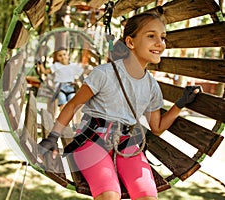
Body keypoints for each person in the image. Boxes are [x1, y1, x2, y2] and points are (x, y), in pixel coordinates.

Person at [38, 13, 201, 200]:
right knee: (109, 196)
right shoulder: (104, 73)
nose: (160, 42)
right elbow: (73, 105)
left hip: (126, 144)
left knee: (148, 196)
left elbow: (156, 127)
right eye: (151, 36)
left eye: (162, 37)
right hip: (91, 141)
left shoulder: (151, 86)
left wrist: (180, 104)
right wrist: (52, 138)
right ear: (130, 42)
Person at [37, 47, 84, 111]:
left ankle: (72, 120)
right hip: (60, 88)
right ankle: (62, 119)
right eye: (60, 55)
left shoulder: (74, 66)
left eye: (64, 54)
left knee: (72, 105)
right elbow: (44, 72)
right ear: (57, 57)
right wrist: (39, 63)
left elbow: (81, 74)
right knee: (62, 104)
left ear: (68, 55)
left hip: (71, 87)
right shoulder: (56, 65)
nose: (63, 57)